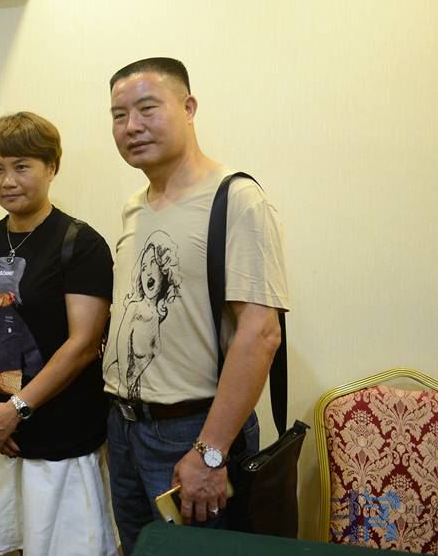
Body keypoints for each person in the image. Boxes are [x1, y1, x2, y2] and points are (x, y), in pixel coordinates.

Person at [103, 57, 290, 551]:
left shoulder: (235, 198)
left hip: (191, 432)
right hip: (124, 428)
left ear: (188, 108)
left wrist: (210, 452)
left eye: (147, 109)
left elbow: (260, 333)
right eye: (119, 115)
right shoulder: (134, 206)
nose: (132, 126)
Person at [0, 112, 118, 556]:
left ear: (51, 167)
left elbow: (83, 345)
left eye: (22, 166)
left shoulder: (80, 243)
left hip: (60, 435)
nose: (8, 181)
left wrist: (16, 409)